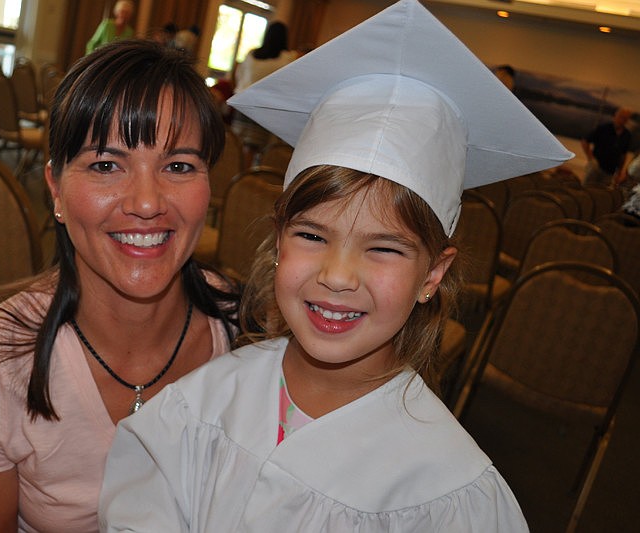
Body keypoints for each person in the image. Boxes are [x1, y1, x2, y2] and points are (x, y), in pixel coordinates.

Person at [98, 1, 572, 531]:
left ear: (432, 276)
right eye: (311, 235)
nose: (338, 276)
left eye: (385, 248)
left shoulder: (450, 492)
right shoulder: (199, 405)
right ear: (279, 239)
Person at [0, 40, 240, 532]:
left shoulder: (244, 330)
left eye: (179, 166)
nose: (147, 202)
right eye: (106, 164)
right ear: (56, 190)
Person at [230, 21, 298, 166]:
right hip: (264, 110)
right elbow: (289, 86)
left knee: (239, 148)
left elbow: (239, 77)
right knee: (256, 151)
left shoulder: (251, 55)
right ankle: (247, 182)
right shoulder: (287, 58)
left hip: (242, 106)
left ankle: (234, 178)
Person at [581, 107, 634, 187]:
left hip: (610, 172)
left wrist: (619, 172)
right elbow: (585, 141)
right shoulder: (604, 128)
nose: (622, 120)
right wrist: (591, 158)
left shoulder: (627, 135)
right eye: (621, 117)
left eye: (625, 118)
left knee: (601, 194)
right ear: (615, 116)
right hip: (596, 167)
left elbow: (623, 155)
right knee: (586, 189)